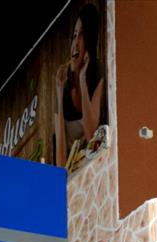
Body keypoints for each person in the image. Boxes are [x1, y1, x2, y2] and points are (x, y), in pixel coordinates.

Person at [54, 3, 106, 167]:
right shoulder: (62, 85)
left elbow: (91, 136)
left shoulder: (98, 71)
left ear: (90, 41)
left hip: (94, 167)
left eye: (82, 35)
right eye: (74, 35)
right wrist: (59, 92)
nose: (75, 43)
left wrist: (83, 81)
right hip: (73, 174)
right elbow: (60, 162)